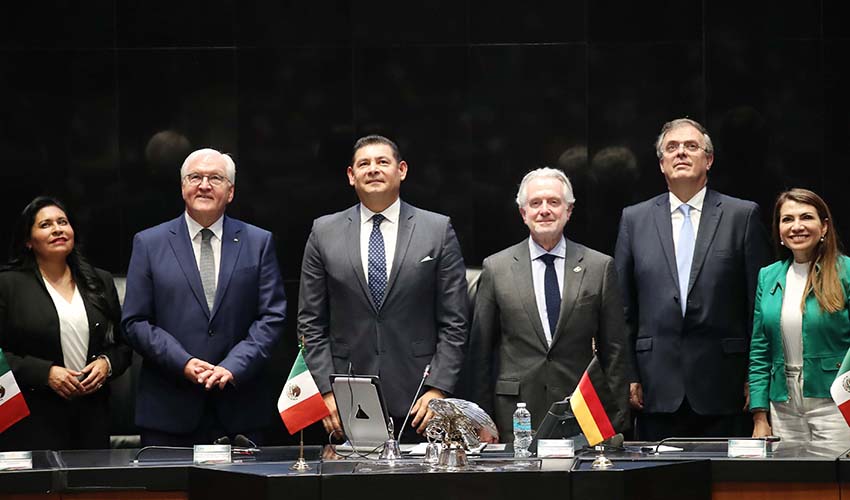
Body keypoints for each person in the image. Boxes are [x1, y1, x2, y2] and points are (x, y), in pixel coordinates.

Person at [298, 135, 468, 440]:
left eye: (382, 162)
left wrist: (438, 388)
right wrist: (325, 391)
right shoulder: (324, 232)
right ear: (351, 176)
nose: (373, 169)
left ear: (401, 170)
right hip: (346, 397)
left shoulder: (437, 230)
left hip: (421, 401)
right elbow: (310, 322)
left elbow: (455, 321)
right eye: (364, 164)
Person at [614, 118, 771, 440]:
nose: (681, 153)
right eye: (672, 148)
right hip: (655, 385)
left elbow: (760, 306)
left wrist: (755, 383)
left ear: (709, 159)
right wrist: (628, 374)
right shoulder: (635, 219)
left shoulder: (742, 216)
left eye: (691, 146)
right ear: (661, 164)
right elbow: (623, 308)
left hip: (725, 386)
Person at [122, 148, 287, 446]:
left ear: (231, 191)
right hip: (169, 410)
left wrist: (233, 366)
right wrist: (183, 362)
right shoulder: (149, 242)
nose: (204, 185)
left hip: (240, 409)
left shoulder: (259, 242)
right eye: (195, 177)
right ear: (183, 186)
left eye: (215, 178)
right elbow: (135, 321)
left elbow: (272, 317)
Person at [469, 168, 629, 442]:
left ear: (568, 210)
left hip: (582, 411)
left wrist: (615, 419)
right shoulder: (496, 268)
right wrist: (481, 419)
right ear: (523, 213)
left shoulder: (598, 267)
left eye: (553, 202)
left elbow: (615, 350)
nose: (544, 210)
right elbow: (480, 352)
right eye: (535, 203)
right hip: (515, 413)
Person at [0, 196, 131, 450]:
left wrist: (107, 365)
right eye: (46, 225)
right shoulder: (8, 285)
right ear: (28, 241)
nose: (58, 229)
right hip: (31, 414)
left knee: (91, 488)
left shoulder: (99, 281)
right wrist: (45, 373)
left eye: (63, 222)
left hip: (91, 414)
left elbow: (124, 344)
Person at [749, 188, 850, 448]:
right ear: (779, 230)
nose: (797, 226)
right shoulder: (768, 276)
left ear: (824, 226)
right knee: (792, 485)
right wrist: (760, 414)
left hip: (836, 405)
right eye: (787, 219)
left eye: (806, 217)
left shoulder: (847, 272)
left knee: (835, 486)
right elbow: (760, 350)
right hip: (783, 406)